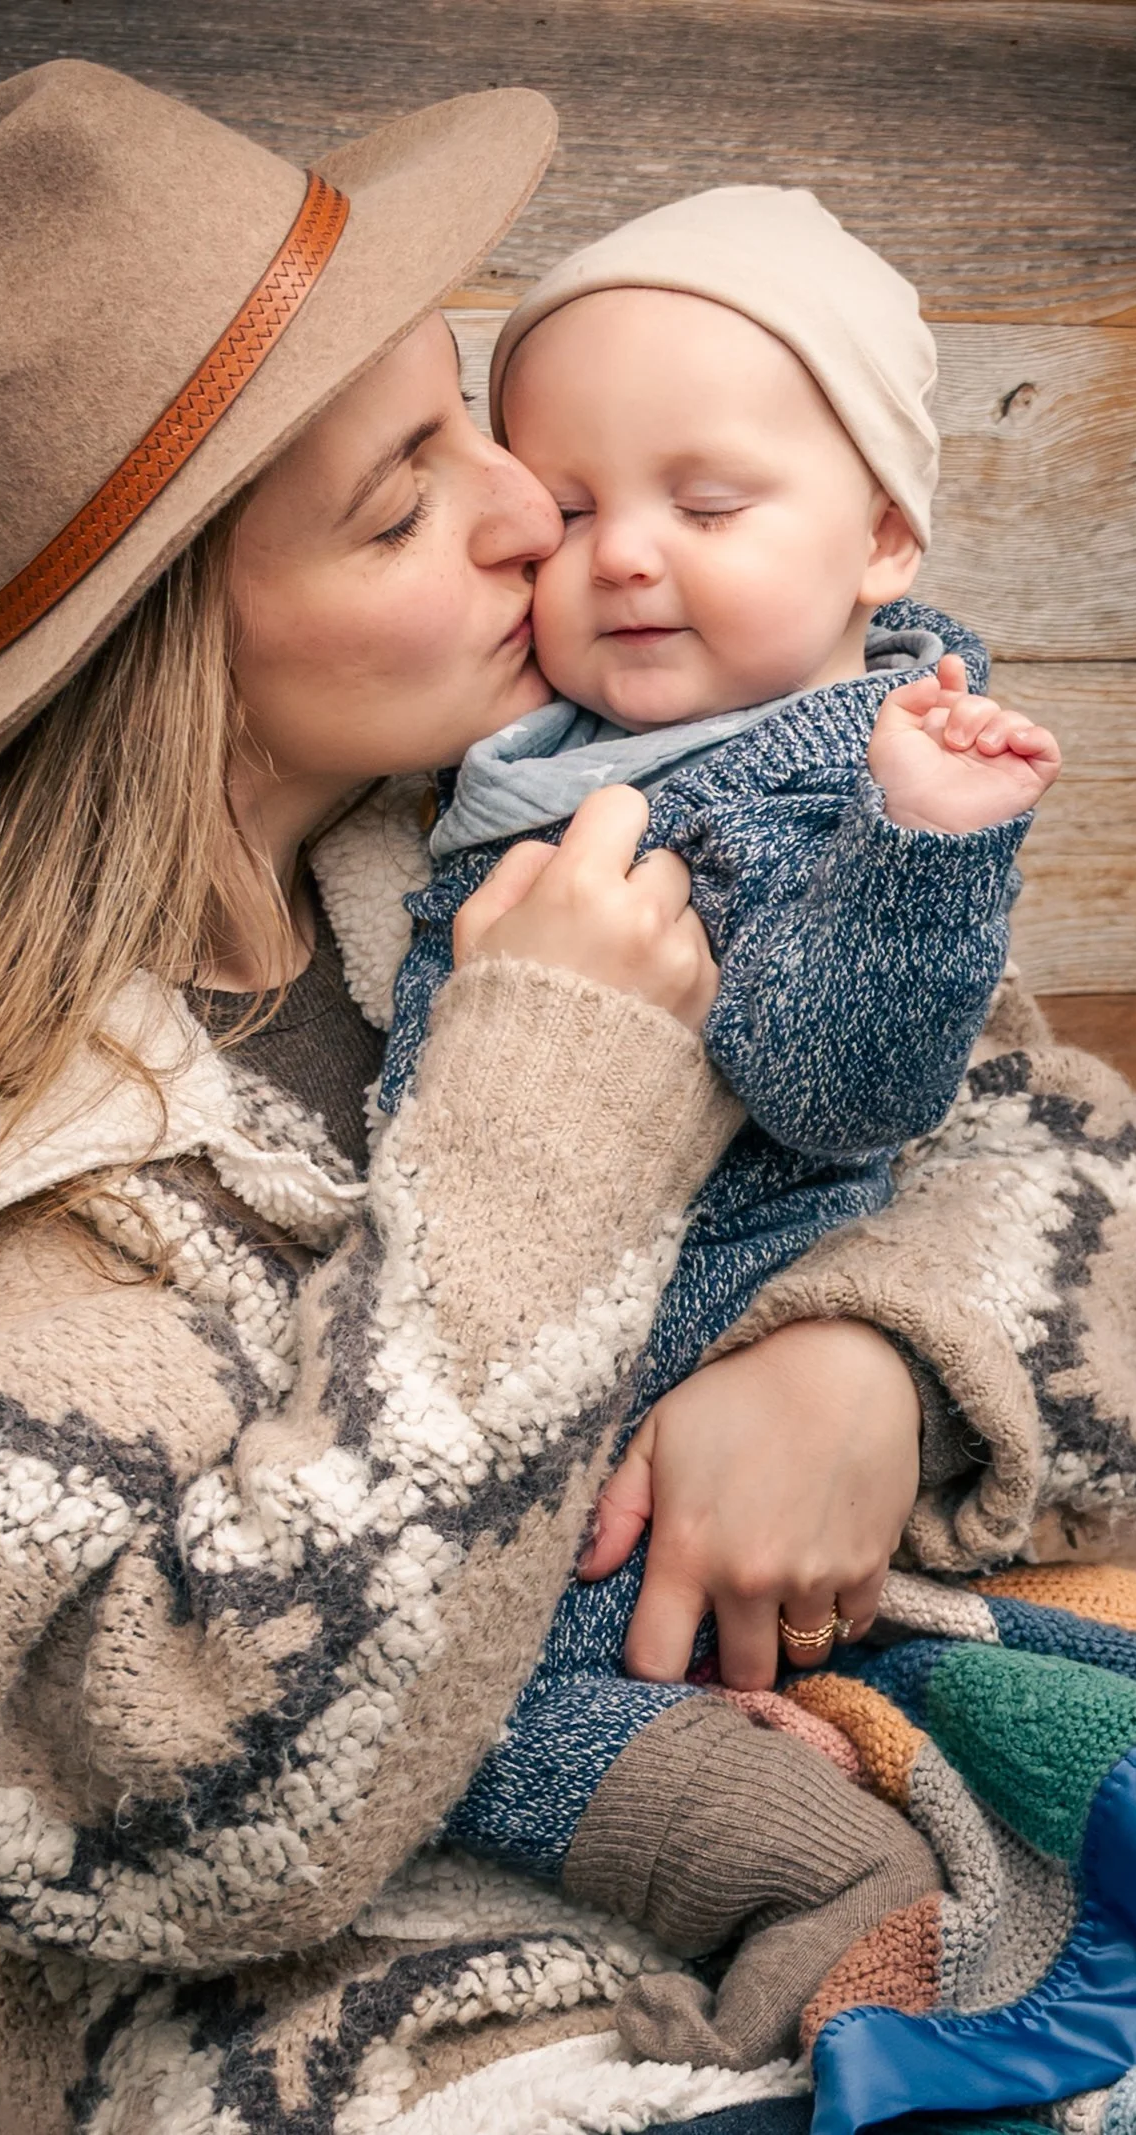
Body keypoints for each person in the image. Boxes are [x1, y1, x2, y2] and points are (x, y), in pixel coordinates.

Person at [0, 61, 1136, 2135]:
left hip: (865, 1842)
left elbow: (1088, 1175)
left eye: (461, 416)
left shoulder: (552, 817)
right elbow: (163, 1792)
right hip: (363, 2053)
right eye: (407, 498)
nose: (534, 513)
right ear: (165, 652)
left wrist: (871, 1360)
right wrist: (538, 1128)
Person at [374, 190, 1067, 1986]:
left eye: (707, 504)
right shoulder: (548, 756)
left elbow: (837, 1083)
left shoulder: (847, 781)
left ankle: (716, 1802)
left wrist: (925, 850)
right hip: (510, 1405)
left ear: (885, 539)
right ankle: (704, 1766)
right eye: (575, 506)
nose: (618, 557)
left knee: (490, 1687)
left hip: (671, 1395)